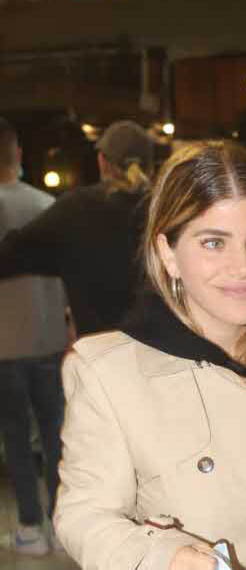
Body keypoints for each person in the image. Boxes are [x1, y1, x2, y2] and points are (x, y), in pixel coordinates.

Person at [54, 141, 246, 570]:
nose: (244, 266)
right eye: (214, 243)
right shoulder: (108, 372)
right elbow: (84, 515)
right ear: (168, 253)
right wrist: (166, 558)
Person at [0, 120, 154, 336]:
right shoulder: (168, 208)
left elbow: (10, 255)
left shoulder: (76, 208)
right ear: (150, 166)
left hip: (100, 350)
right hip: (167, 350)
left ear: (102, 161)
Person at [0, 117, 68, 555]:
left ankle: (29, 527)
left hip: (4, 345)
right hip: (49, 337)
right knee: (56, 435)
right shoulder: (48, 205)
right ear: (18, 153)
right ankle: (62, 525)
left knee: (15, 438)